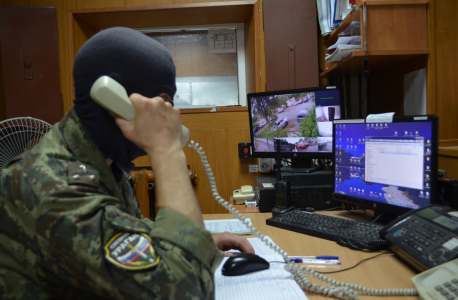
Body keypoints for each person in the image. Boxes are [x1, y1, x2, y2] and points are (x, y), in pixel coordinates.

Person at [0, 27, 253, 299]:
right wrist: (166, 151)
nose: (172, 115)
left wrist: (199, 243)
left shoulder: (101, 163)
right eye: (164, 101)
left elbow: (122, 230)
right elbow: (187, 290)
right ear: (114, 99)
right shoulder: (53, 187)